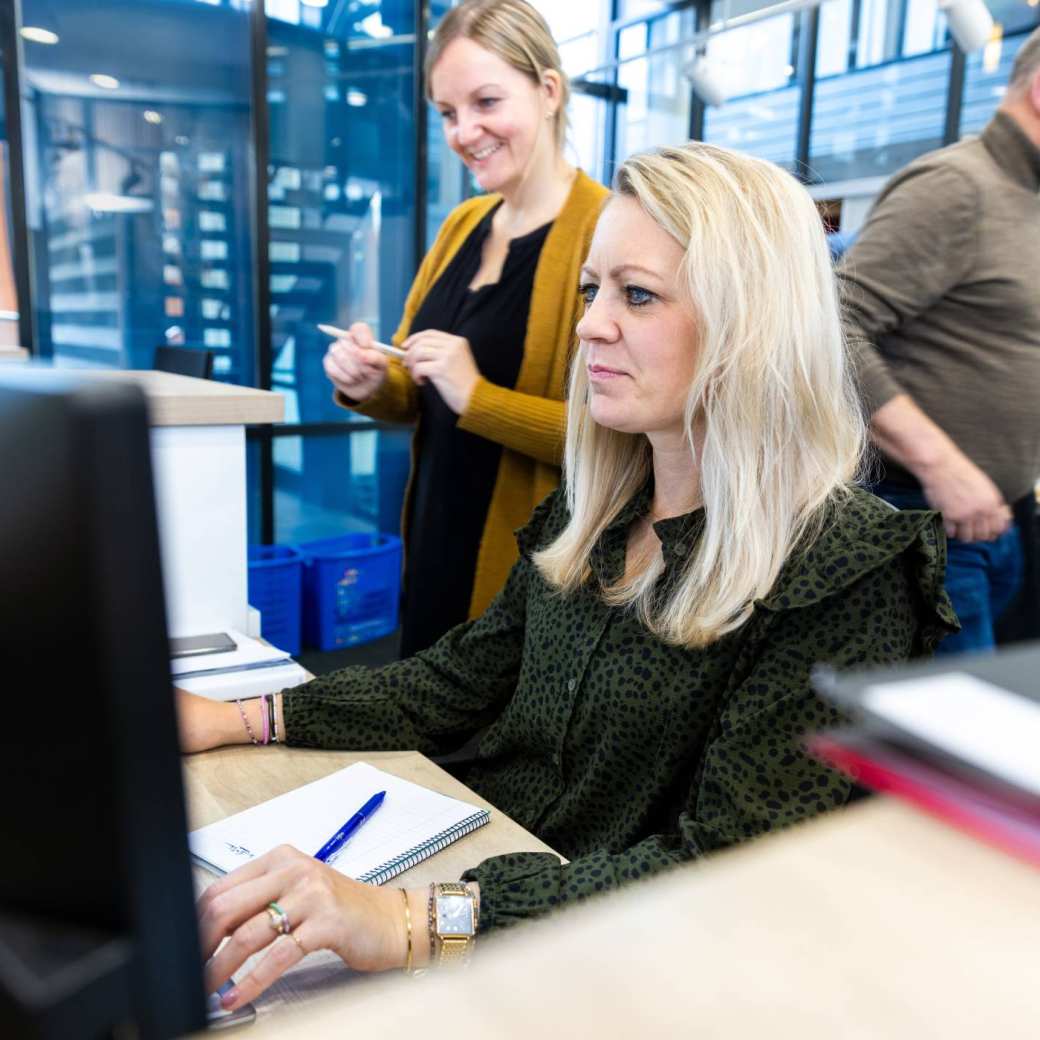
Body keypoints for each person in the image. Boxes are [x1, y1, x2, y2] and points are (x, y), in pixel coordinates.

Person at [180, 142, 956, 1013]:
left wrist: (415, 920)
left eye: (638, 294)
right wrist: (234, 717)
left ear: (752, 325)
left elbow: (730, 867)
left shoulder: (846, 570)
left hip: (617, 971)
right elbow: (454, 681)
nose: (590, 325)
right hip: (499, 895)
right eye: (593, 290)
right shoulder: (597, 512)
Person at [323, 0, 609, 656]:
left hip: (532, 570)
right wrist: (373, 382)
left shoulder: (603, 231)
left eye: (485, 102)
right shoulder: (462, 225)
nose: (463, 132)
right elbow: (419, 389)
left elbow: (620, 439)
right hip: (435, 539)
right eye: (448, 113)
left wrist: (478, 396)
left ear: (548, 92)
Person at [839, 26, 1040, 654]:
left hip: (997, 521)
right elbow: (829, 330)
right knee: (955, 739)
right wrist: (941, 464)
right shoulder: (955, 188)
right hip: (920, 515)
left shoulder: (1026, 199)